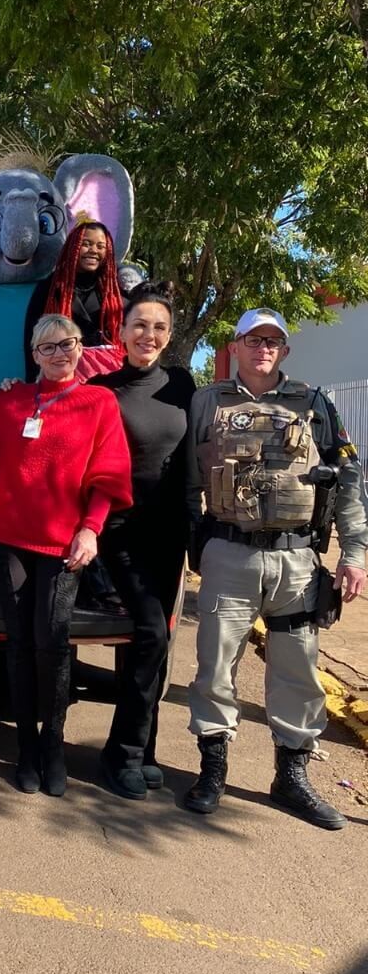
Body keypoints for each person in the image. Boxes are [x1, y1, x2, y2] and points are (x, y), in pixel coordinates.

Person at [185, 307, 368, 829]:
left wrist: (353, 555)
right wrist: (190, 546)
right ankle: (213, 772)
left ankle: (291, 778)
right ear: (236, 345)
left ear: (284, 350)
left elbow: (349, 479)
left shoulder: (314, 403)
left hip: (297, 562)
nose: (263, 348)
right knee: (216, 667)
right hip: (228, 554)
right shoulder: (207, 401)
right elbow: (187, 481)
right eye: (253, 339)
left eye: (273, 340)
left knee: (297, 669)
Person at [0, 315, 132, 796]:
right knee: (18, 645)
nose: (60, 353)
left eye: (68, 344)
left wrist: (91, 528)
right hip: (7, 538)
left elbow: (109, 471)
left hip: (63, 544)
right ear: (34, 354)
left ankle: (53, 748)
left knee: (53, 644)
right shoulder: (10, 401)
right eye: (48, 347)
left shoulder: (99, 401)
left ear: (81, 348)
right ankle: (25, 749)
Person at [88, 282, 195, 799]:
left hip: (169, 532)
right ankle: (121, 754)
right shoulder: (103, 390)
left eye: (158, 327)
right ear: (122, 331)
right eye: (139, 325)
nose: (148, 334)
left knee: (157, 641)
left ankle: (145, 747)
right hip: (120, 531)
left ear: (168, 335)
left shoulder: (183, 385)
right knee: (150, 631)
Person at [41, 220, 124, 378]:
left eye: (100, 247)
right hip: (64, 376)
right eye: (86, 244)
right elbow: (33, 339)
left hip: (109, 379)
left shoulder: (114, 292)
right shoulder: (50, 289)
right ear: (73, 247)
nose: (93, 251)